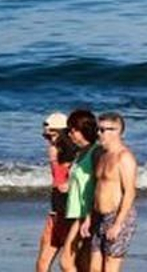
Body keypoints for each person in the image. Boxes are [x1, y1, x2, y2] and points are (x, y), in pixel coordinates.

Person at [87, 113, 137, 272]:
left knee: (110, 267)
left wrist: (117, 224)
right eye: (98, 129)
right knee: (94, 268)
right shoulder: (101, 154)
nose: (98, 133)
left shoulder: (125, 157)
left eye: (102, 130)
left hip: (117, 216)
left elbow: (130, 193)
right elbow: (97, 188)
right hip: (99, 216)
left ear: (116, 131)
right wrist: (89, 218)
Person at [59, 109, 98, 272]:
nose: (70, 134)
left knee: (66, 262)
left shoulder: (96, 151)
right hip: (76, 212)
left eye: (72, 130)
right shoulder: (80, 152)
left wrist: (89, 216)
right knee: (83, 264)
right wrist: (68, 184)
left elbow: (99, 184)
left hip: (86, 213)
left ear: (83, 130)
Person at [37, 112, 77, 272]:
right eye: (46, 137)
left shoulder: (80, 155)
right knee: (42, 264)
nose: (50, 141)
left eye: (53, 136)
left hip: (71, 214)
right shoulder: (54, 151)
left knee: (69, 265)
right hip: (55, 212)